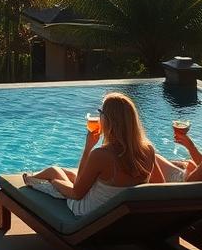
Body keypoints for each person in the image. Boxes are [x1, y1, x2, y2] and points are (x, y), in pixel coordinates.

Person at [23, 92, 163, 217]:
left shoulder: (102, 155)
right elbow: (160, 184)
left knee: (54, 172)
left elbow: (76, 194)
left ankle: (31, 180)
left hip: (90, 212)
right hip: (124, 215)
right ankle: (32, 178)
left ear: (108, 120)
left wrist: (87, 147)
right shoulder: (148, 150)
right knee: (69, 174)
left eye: (101, 112)